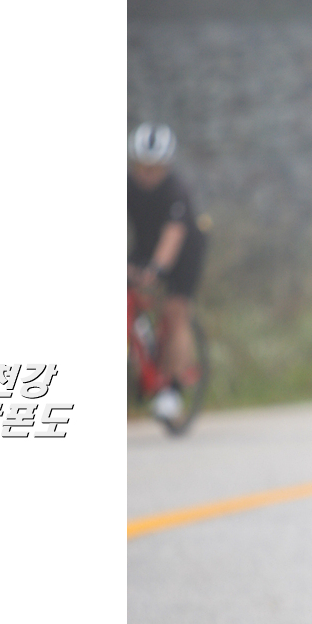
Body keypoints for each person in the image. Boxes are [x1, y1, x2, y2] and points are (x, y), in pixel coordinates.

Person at [127, 123, 209, 424]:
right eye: (141, 167)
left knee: (176, 311)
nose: (147, 175)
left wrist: (157, 270)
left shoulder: (176, 191)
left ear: (167, 166)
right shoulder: (126, 186)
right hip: (145, 245)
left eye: (155, 168)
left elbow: (173, 235)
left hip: (183, 250)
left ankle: (172, 389)